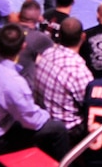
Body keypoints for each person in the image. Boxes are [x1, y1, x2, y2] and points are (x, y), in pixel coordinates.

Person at [0, 23, 67, 154]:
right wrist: (46, 114)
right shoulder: (14, 83)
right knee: (58, 128)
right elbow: (31, 121)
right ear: (23, 47)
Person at [32, 18, 95, 155]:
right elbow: (90, 107)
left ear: (59, 35)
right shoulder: (79, 72)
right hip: (67, 131)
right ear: (83, 37)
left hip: (42, 119)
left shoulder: (46, 54)